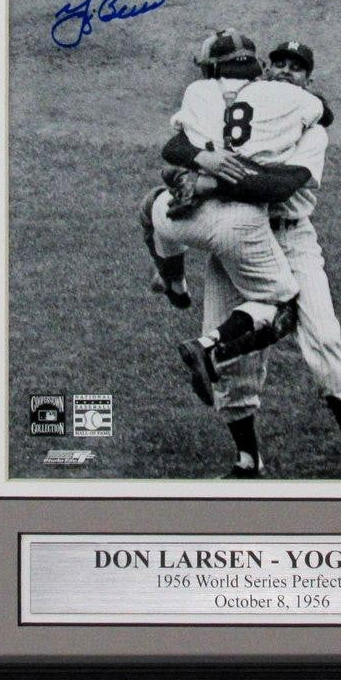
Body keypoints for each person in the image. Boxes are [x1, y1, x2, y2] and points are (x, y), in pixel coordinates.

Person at [162, 38, 341, 480]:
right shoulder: (242, 117)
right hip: (238, 239)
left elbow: (282, 185)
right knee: (229, 358)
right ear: (265, 72)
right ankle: (247, 459)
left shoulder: (311, 131)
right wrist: (200, 162)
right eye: (278, 63)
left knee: (325, 336)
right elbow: (176, 151)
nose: (285, 71)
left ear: (308, 81)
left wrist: (210, 182)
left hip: (291, 238)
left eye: (296, 67)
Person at [140, 31, 323, 433]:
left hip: (183, 218)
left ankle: (173, 282)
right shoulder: (285, 97)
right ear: (258, 65)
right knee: (282, 307)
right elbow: (320, 117)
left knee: (152, 206)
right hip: (240, 224)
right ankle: (209, 347)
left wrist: (202, 165)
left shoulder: (197, 92)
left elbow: (173, 149)